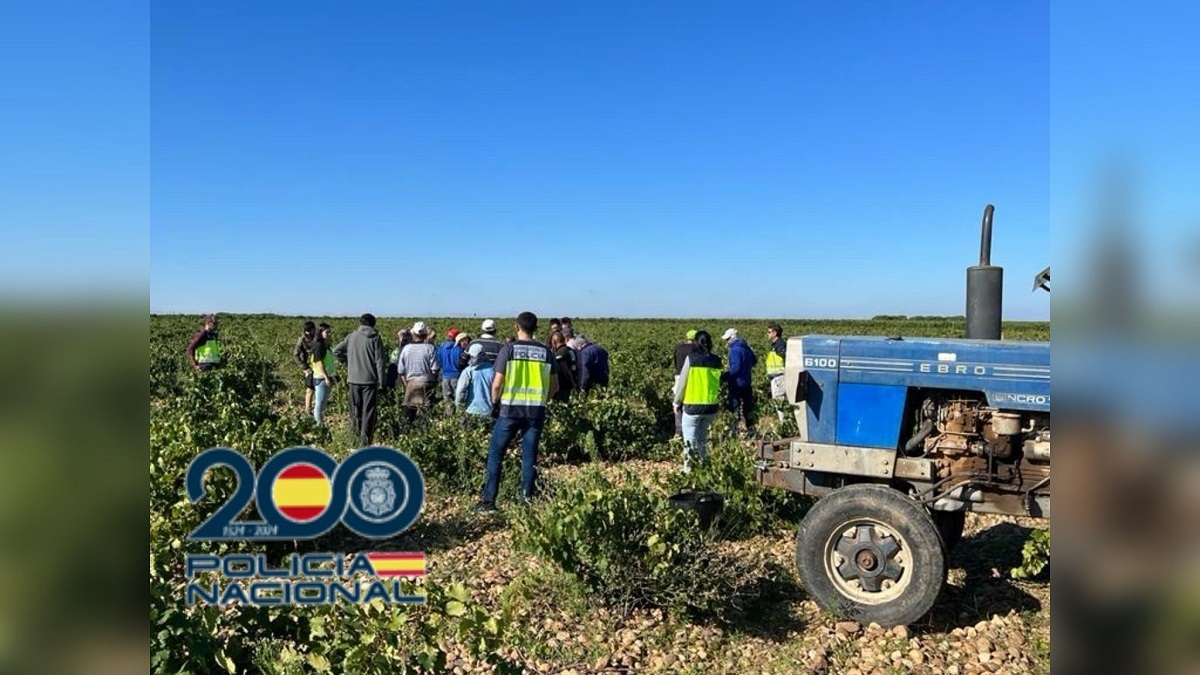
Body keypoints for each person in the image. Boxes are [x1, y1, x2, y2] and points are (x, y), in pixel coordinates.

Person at [476, 311, 558, 512]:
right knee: (529, 456)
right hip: (535, 412)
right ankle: (526, 503)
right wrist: (542, 399)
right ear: (536, 328)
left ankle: (489, 502)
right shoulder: (546, 352)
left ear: (517, 327)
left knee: (496, 453)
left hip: (509, 410)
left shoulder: (509, 349)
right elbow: (555, 385)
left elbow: (497, 384)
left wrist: (495, 403)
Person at [334, 313, 387, 446]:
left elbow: (336, 351)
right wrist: (382, 382)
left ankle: (353, 438)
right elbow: (380, 361)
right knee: (368, 412)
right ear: (373, 324)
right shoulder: (375, 338)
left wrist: (349, 361)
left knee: (354, 410)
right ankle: (365, 441)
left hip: (353, 379)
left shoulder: (351, 336)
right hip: (369, 381)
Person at [673, 330, 723, 472]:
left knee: (689, 444)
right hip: (711, 408)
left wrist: (677, 402)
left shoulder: (692, 359)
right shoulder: (717, 360)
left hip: (693, 407)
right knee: (702, 442)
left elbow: (682, 382)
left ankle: (689, 475)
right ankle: (704, 472)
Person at [398, 321, 440, 423]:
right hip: (427, 382)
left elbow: (401, 371)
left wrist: (407, 384)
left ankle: (405, 434)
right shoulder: (431, 348)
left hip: (412, 383)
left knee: (408, 415)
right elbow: (434, 369)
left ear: (413, 334)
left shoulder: (406, 349)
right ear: (425, 334)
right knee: (426, 414)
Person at [721, 328, 758, 437]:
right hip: (747, 382)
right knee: (748, 408)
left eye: (727, 339)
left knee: (734, 408)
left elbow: (735, 368)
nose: (726, 342)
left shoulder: (735, 350)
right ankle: (751, 431)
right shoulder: (746, 347)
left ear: (732, 338)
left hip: (736, 383)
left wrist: (725, 377)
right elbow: (754, 361)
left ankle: (734, 432)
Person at [455, 337, 497, 427]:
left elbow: (460, 391)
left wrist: (459, 405)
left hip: (472, 410)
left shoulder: (468, 371)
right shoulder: (493, 370)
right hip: (489, 411)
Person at [309, 323, 338, 426]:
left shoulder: (325, 346)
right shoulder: (318, 346)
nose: (329, 334)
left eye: (329, 332)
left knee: (323, 404)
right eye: (326, 332)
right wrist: (326, 377)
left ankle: (319, 423)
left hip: (326, 377)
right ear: (320, 333)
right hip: (321, 378)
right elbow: (319, 363)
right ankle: (319, 426)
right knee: (319, 404)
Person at [672, 329, 697, 436]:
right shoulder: (697, 349)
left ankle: (678, 431)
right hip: (691, 377)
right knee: (688, 402)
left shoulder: (678, 347)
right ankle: (689, 430)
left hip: (678, 376)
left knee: (677, 403)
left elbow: (675, 362)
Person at [765, 322, 788, 423]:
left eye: (769, 332)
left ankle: (783, 424)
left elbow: (786, 358)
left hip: (779, 378)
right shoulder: (775, 345)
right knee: (780, 402)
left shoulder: (780, 345)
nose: (767, 334)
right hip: (776, 377)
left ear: (775, 333)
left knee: (779, 402)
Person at [293, 320, 317, 413]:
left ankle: (316, 407)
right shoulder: (302, 339)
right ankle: (308, 409)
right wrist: (304, 367)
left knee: (318, 386)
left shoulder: (316, 337)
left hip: (318, 365)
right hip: (309, 366)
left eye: (310, 331)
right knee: (310, 388)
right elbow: (295, 355)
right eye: (307, 331)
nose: (308, 333)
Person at [437, 327, 465, 402]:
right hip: (456, 376)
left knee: (447, 402)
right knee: (458, 400)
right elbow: (462, 363)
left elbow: (439, 361)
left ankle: (448, 413)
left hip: (445, 377)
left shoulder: (442, 347)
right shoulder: (459, 349)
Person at [548, 330, 576, 401]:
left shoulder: (560, 353)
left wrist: (572, 383)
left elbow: (565, 371)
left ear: (554, 342)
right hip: (571, 384)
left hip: (563, 387)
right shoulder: (570, 350)